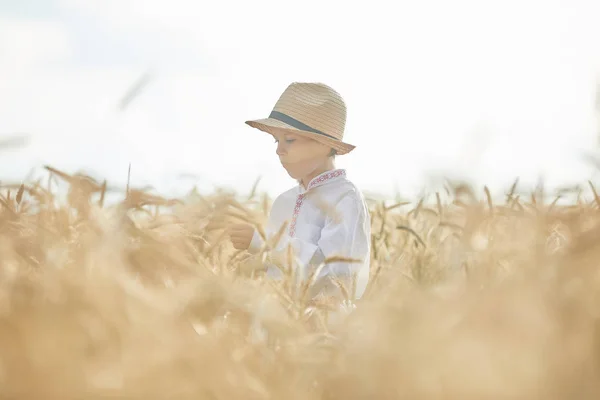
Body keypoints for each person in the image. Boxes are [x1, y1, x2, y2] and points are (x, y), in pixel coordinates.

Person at [227, 82, 371, 306]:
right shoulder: (284, 201)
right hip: (275, 325)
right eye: (277, 140)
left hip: (322, 329)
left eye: (290, 140)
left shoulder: (345, 198)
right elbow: (276, 273)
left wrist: (264, 242)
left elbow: (333, 275)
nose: (278, 149)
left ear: (325, 145)